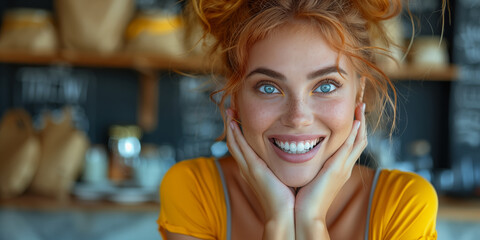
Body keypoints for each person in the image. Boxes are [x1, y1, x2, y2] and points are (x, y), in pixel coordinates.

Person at [158, 0, 439, 239]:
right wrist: (278, 221)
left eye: (326, 86)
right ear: (235, 95)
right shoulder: (195, 190)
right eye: (269, 87)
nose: (298, 117)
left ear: (359, 92)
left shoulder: (404, 205)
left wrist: (311, 221)